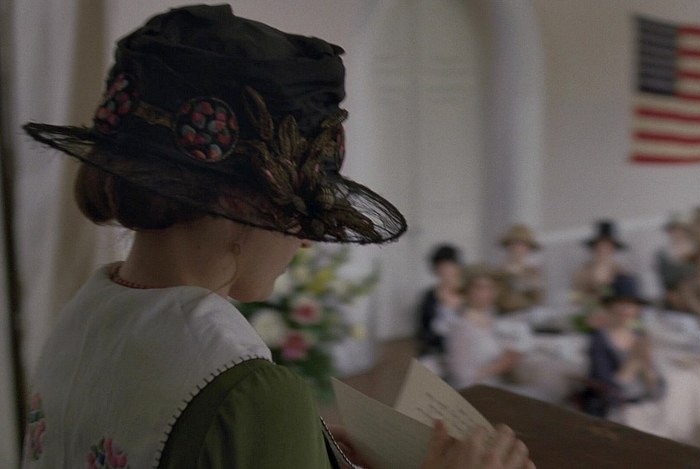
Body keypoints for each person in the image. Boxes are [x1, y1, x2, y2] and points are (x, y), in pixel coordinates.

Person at [20, 5, 534, 469]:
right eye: (300, 215)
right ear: (244, 205)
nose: (305, 241)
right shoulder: (245, 391)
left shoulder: (81, 320)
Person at [578, 275, 664, 419]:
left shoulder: (640, 336)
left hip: (643, 409)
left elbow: (658, 391)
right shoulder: (599, 339)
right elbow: (606, 393)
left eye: (631, 305)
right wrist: (634, 362)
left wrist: (647, 366)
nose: (626, 309)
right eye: (621, 303)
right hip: (614, 412)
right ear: (610, 306)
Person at [447, 266, 530, 390]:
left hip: (498, 385)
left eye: (490, 288)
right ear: (466, 291)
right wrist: (501, 365)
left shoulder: (491, 318)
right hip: (476, 392)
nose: (485, 294)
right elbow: (463, 378)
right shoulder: (461, 326)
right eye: (479, 288)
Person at [416, 244, 463, 357]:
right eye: (440, 267)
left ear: (457, 267)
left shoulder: (468, 293)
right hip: (437, 349)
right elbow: (424, 328)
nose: (444, 271)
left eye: (448, 266)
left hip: (464, 347)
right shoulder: (429, 296)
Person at [572, 220, 629, 305]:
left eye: (608, 246)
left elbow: (627, 298)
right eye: (601, 245)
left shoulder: (622, 271)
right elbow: (575, 299)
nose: (603, 249)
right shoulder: (582, 272)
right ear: (594, 247)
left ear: (613, 248)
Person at [495, 224, 546, 314]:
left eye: (523, 245)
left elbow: (538, 297)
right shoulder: (500, 270)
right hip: (506, 312)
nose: (518, 248)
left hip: (528, 312)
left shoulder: (533, 270)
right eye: (514, 244)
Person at [654, 214, 695, 309]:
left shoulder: (695, 248)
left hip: (694, 289)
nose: (676, 233)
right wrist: (671, 293)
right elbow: (663, 278)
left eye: (679, 229)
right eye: (673, 230)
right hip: (673, 291)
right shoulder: (663, 252)